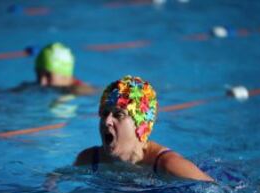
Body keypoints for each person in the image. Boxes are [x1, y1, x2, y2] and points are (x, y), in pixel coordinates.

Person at [75, 75, 214, 182]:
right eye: (105, 113)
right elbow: (57, 179)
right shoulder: (89, 160)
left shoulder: (168, 165)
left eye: (119, 114)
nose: (107, 121)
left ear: (141, 125)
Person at [12, 42, 95, 95]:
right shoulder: (34, 86)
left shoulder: (80, 91)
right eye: (38, 75)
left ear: (65, 75)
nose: (42, 82)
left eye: (48, 75)